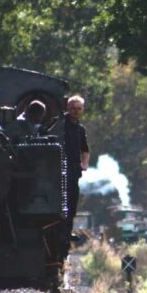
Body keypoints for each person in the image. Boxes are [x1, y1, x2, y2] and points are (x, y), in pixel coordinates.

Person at [63, 95, 90, 250]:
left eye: (79, 109)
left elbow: (85, 150)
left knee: (72, 203)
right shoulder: (59, 124)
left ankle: (68, 231)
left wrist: (84, 165)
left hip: (74, 171)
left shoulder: (80, 129)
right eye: (73, 108)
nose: (75, 111)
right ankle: (62, 231)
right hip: (59, 169)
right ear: (68, 108)